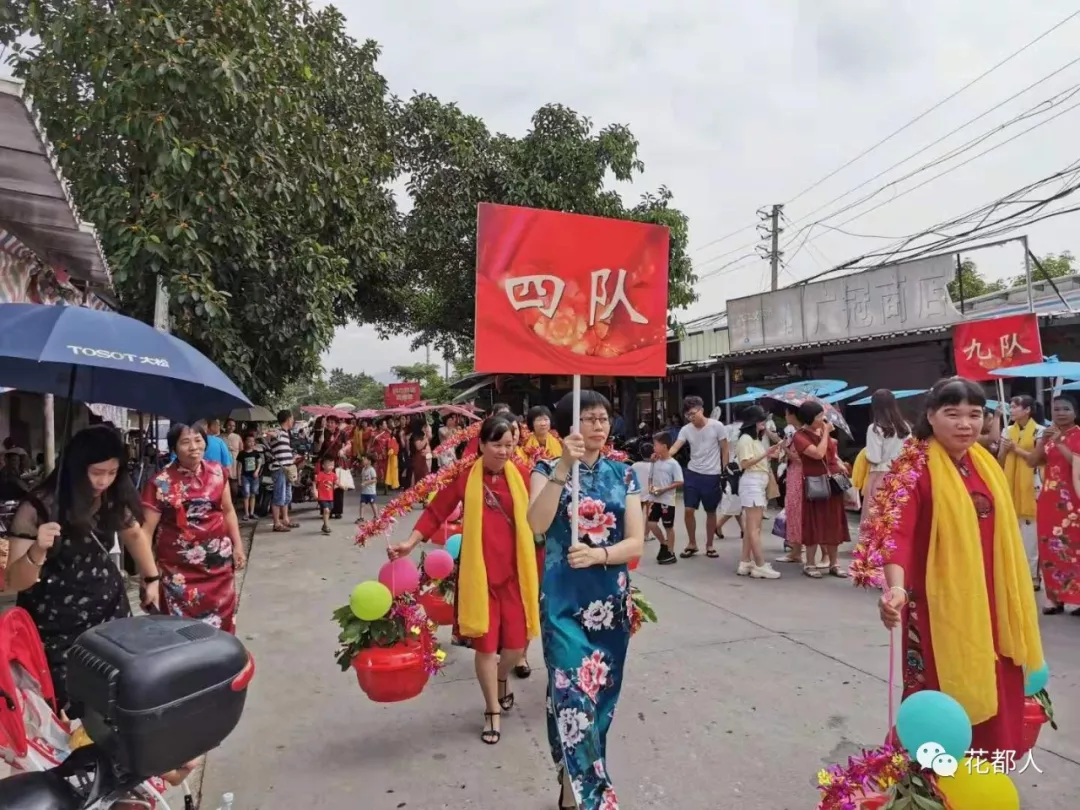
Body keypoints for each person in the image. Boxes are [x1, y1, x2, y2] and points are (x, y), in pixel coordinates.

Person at [875, 377, 1044, 754]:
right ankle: (934, 773)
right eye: (953, 414)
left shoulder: (984, 463)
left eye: (974, 414)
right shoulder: (911, 468)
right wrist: (896, 588)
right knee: (941, 684)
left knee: (996, 673)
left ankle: (987, 763)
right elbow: (896, 534)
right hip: (939, 603)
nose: (965, 424)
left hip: (994, 596)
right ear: (931, 416)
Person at [388, 417, 539, 747]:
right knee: (485, 646)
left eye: (508, 445)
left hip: (515, 575)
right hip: (479, 576)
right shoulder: (465, 477)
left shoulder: (523, 476)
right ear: (481, 445)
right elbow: (436, 512)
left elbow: (542, 514)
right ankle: (491, 710)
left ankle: (502, 677)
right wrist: (411, 543)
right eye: (496, 445)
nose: (503, 451)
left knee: (515, 647)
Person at [526, 389, 644, 810]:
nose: (599, 425)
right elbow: (537, 524)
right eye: (589, 418)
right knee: (574, 692)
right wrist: (563, 466)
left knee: (600, 703)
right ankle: (594, 797)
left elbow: (636, 542)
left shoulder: (624, 474)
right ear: (567, 429)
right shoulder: (544, 468)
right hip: (562, 603)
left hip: (610, 604)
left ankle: (568, 781)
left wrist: (600, 555)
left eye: (603, 418)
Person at [2, 426, 160, 715]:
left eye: (112, 472)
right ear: (76, 467)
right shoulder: (38, 507)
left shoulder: (112, 497)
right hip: (54, 627)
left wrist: (152, 578)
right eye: (97, 472)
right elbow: (15, 581)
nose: (104, 481)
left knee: (117, 697)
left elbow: (133, 533)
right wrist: (38, 550)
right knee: (70, 707)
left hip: (110, 612)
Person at [141, 423, 246, 632]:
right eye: (185, 442)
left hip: (219, 566)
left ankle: (220, 661)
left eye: (198, 440)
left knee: (222, 622)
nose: (193, 447)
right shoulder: (160, 483)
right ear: (173, 448)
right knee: (180, 630)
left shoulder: (218, 472)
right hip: (177, 570)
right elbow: (145, 532)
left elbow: (227, 511)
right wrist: (148, 576)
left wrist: (238, 546)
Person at [1027, 394, 1080, 614]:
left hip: (1072, 498)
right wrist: (1043, 442)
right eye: (1056, 409)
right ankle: (1054, 598)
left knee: (1073, 547)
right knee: (1049, 545)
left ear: (1075, 412)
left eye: (1066, 409)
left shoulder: (1077, 435)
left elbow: (1074, 462)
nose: (1060, 413)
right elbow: (1032, 461)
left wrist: (1059, 442)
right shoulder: (1047, 434)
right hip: (1049, 497)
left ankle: (1075, 597)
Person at [792, 401, 850, 578]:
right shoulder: (800, 436)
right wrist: (826, 433)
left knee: (834, 523)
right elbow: (817, 454)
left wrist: (839, 463)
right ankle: (810, 563)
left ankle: (834, 563)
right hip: (815, 484)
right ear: (809, 418)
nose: (822, 419)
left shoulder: (823, 434)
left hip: (832, 482)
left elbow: (831, 454)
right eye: (818, 417)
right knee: (814, 523)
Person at [668, 395, 728, 558]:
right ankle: (692, 543)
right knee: (688, 510)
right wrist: (664, 456)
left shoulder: (717, 426)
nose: (691, 417)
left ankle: (709, 545)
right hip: (692, 473)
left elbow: (724, 449)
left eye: (693, 413)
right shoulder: (686, 429)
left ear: (701, 410)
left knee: (710, 511)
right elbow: (675, 447)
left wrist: (725, 471)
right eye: (688, 415)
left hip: (712, 475)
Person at [1000, 394, 1043, 590]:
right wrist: (1004, 448)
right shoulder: (1007, 430)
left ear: (1027, 410)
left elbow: (1038, 459)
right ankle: (1016, 575)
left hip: (1031, 485)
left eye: (1015, 406)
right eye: (1010, 406)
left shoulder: (1040, 432)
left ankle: (1033, 576)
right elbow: (1000, 459)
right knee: (1013, 534)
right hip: (1010, 485)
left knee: (1030, 535)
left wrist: (1016, 449)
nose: (1012, 409)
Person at [735, 405, 783, 579]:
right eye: (761, 419)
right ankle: (760, 564)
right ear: (754, 421)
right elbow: (745, 463)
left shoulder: (754, 439)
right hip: (752, 482)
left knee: (752, 527)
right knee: (755, 528)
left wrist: (772, 452)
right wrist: (766, 454)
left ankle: (746, 561)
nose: (764, 422)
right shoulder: (746, 439)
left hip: (757, 483)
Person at [863, 390, 911, 522]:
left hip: (880, 475)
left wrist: (865, 455)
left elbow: (875, 458)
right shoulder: (905, 426)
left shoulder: (875, 428)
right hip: (901, 474)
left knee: (876, 521)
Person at [648, 432, 683, 565]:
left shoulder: (673, 464)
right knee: (651, 523)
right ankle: (663, 543)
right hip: (655, 499)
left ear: (664, 446)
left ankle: (670, 551)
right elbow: (650, 476)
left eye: (655, 445)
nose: (653, 448)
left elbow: (679, 481)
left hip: (667, 500)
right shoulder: (654, 461)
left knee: (668, 526)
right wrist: (650, 487)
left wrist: (664, 489)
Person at [715, 406, 745, 542]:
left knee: (736, 497)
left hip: (730, 465)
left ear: (733, 416)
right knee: (735, 497)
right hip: (742, 465)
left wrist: (724, 468)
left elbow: (724, 450)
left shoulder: (726, 429)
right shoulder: (746, 430)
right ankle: (718, 525)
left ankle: (744, 529)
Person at [269, 410, 299, 532]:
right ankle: (276, 523)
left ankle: (285, 519)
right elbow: (273, 434)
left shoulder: (286, 434)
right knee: (278, 496)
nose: (293, 421)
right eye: (292, 419)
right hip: (279, 469)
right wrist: (267, 433)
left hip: (287, 469)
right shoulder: (279, 431)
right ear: (288, 419)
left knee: (287, 496)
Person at [236, 434, 262, 521]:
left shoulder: (256, 453)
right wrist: (239, 479)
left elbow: (259, 462)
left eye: (252, 441)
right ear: (244, 442)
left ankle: (252, 512)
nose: (251, 443)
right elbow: (239, 467)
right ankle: (246, 513)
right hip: (245, 477)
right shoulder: (241, 454)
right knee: (246, 494)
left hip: (254, 477)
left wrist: (257, 471)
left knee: (253, 494)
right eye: (249, 441)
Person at [314, 456, 336, 535]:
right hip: (322, 497)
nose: (331, 467)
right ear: (323, 466)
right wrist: (315, 491)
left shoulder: (333, 475)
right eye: (329, 465)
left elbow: (336, 482)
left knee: (328, 511)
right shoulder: (320, 474)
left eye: (332, 465)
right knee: (326, 510)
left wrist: (342, 486)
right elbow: (314, 483)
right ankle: (326, 526)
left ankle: (324, 525)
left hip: (330, 497)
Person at [223, 418, 242, 494]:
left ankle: (233, 502)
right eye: (229, 425)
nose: (231, 427)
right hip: (223, 464)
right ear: (225, 425)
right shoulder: (219, 437)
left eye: (233, 426)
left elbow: (241, 450)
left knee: (234, 488)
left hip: (235, 463)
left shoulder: (237, 437)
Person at [358, 454, 379, 522]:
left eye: (365, 459)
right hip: (364, 491)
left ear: (369, 461)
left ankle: (376, 516)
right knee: (362, 504)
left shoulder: (372, 470)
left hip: (371, 491)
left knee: (372, 503)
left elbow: (374, 480)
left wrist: (365, 483)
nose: (363, 460)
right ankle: (361, 517)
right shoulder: (363, 469)